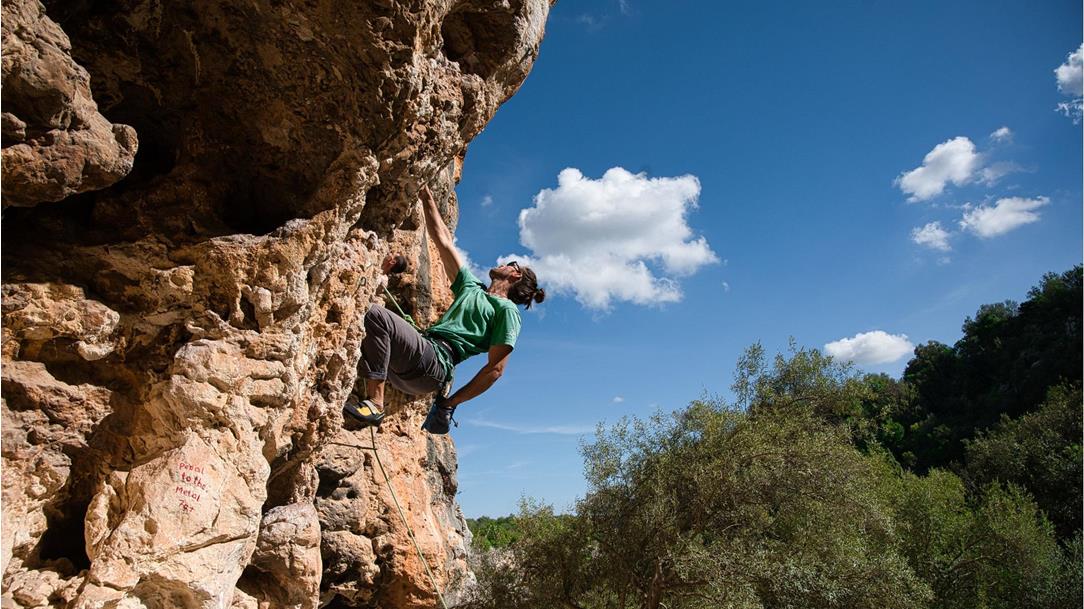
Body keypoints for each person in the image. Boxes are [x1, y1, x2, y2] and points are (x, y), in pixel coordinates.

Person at [344, 185, 545, 434]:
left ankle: (375, 403)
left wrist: (450, 403)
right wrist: (425, 194)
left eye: (510, 263)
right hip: (412, 364)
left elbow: (495, 370)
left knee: (375, 315)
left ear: (515, 274)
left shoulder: (506, 311)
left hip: (434, 363)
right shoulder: (472, 288)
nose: (502, 262)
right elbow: (444, 242)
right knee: (354, 321)